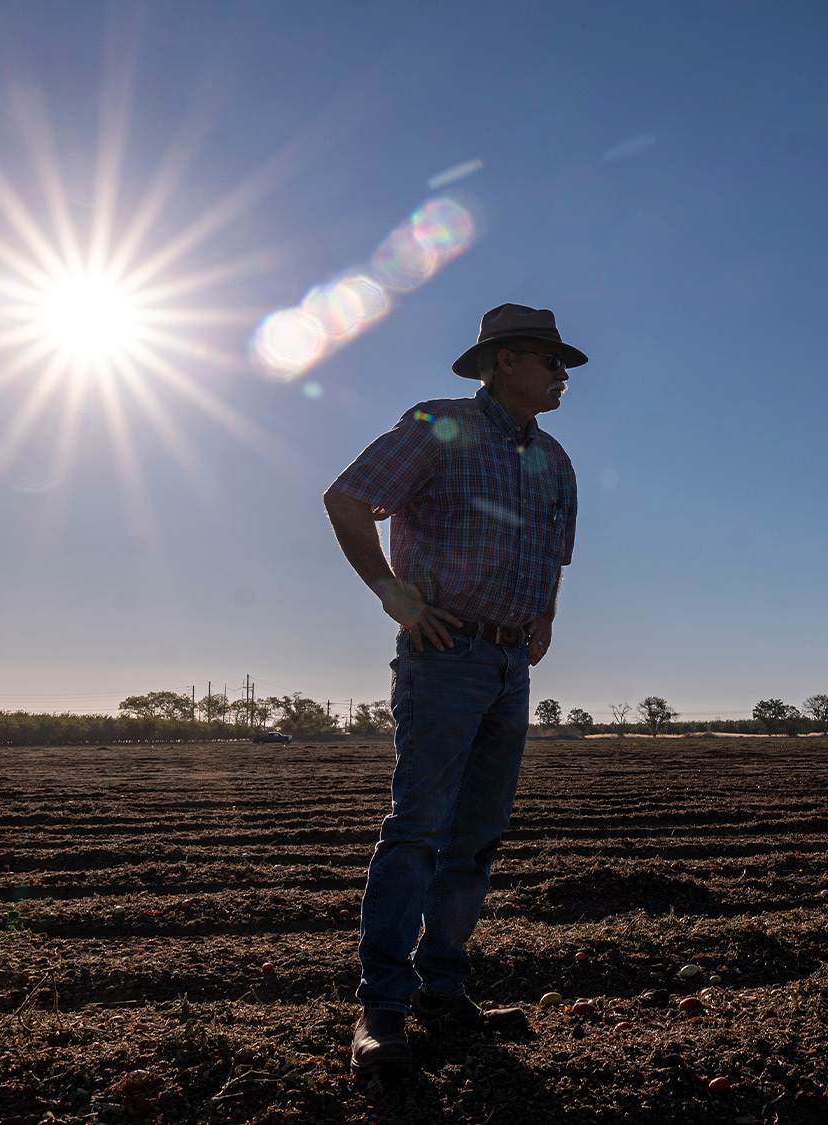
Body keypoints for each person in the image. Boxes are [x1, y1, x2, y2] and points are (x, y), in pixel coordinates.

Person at [322, 303, 585, 1082]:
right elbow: (347, 498)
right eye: (549, 359)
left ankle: (444, 988)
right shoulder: (439, 425)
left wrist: (543, 617)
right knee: (417, 830)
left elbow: (556, 552)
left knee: (475, 836)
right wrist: (394, 595)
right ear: (504, 362)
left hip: (509, 668)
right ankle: (382, 1010)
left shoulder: (557, 459)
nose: (561, 375)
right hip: (445, 657)